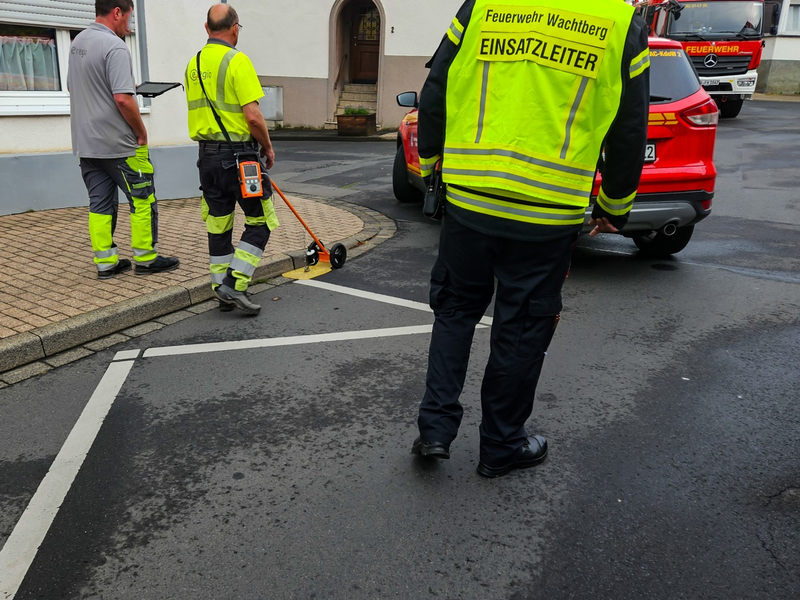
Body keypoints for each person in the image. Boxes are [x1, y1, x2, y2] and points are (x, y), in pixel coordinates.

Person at [411, 0, 650, 477]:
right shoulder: (619, 22)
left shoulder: (484, 4)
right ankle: (500, 446)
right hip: (547, 210)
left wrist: (431, 161)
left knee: (455, 310)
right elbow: (629, 124)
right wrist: (615, 206)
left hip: (471, 195)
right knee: (521, 327)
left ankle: (435, 431)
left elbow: (438, 81)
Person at [69, 0, 179, 279]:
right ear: (117, 12)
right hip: (120, 145)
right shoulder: (115, 46)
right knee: (142, 198)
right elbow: (122, 98)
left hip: (87, 144)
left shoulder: (78, 41)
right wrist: (141, 133)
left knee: (100, 204)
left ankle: (106, 263)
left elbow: (74, 86)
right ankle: (146, 259)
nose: (129, 26)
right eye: (129, 18)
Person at [184, 3, 279, 316]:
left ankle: (220, 288)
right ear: (235, 27)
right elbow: (252, 116)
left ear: (207, 28)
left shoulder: (193, 64)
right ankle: (235, 284)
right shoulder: (238, 61)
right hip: (240, 160)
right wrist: (267, 146)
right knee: (260, 220)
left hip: (206, 160)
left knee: (218, 224)